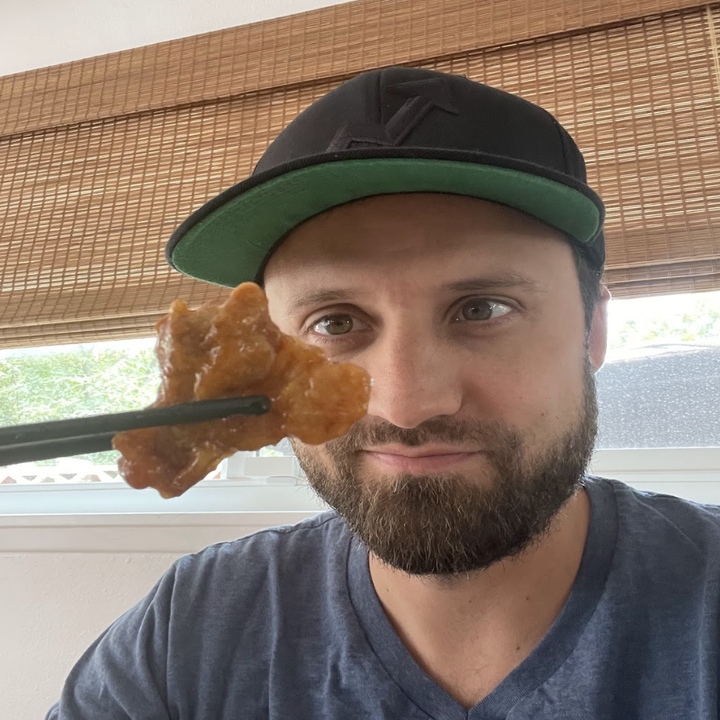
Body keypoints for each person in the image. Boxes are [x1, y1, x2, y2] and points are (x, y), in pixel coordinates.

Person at [46, 67, 720, 719]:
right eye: (335, 323)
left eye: (483, 309)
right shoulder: (190, 630)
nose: (406, 403)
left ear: (593, 330)